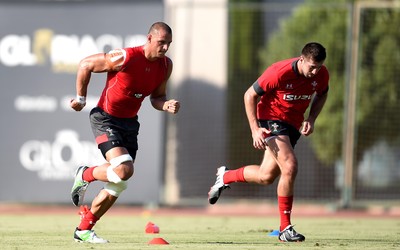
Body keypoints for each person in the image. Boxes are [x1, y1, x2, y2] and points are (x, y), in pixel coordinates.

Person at [69, 22, 180, 243]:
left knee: (119, 181)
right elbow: (86, 64)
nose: (165, 48)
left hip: (130, 124)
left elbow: (157, 97)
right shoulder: (125, 57)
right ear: (149, 39)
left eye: (168, 44)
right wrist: (81, 98)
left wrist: (165, 104)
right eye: (161, 42)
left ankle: (83, 229)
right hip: (105, 118)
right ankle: (85, 174)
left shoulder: (165, 66)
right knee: (124, 169)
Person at [208, 42, 329, 242]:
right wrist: (255, 129)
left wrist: (312, 119)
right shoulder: (278, 72)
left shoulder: (321, 74)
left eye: (318, 67)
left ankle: (226, 176)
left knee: (266, 176)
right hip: (270, 120)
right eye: (311, 67)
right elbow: (249, 95)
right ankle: (285, 229)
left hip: (292, 125)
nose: (315, 72)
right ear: (301, 60)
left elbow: (322, 94)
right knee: (290, 166)